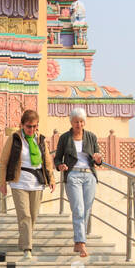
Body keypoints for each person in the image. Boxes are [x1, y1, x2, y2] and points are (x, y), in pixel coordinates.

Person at [0, 109, 53, 260]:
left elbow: (47, 160)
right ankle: (28, 248)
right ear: (21, 125)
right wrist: (2, 183)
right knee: (25, 215)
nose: (32, 129)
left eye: (35, 126)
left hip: (37, 182)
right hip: (19, 181)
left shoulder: (40, 139)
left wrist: (51, 179)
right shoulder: (14, 139)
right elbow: (4, 162)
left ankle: (22, 242)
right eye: (29, 126)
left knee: (33, 216)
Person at [53, 107, 103, 258]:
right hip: (73, 175)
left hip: (89, 175)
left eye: (81, 122)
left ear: (84, 122)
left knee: (86, 209)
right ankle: (81, 243)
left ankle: (78, 242)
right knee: (78, 209)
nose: (79, 125)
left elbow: (98, 158)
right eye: (76, 122)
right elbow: (57, 158)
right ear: (71, 122)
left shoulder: (91, 137)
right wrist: (60, 166)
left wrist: (98, 159)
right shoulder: (64, 138)